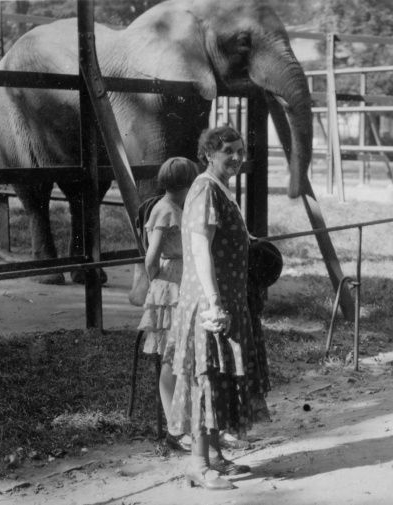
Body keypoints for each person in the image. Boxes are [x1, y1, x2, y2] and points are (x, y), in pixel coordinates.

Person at [167, 125, 270, 491]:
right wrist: (213, 303)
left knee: (221, 378)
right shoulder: (204, 188)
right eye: (229, 151)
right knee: (206, 379)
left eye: (241, 151)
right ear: (209, 154)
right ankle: (197, 464)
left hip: (228, 298)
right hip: (211, 302)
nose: (238, 158)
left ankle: (212, 457)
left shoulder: (219, 187)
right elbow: (199, 248)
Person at [136, 156, 198, 451]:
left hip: (183, 283)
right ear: (186, 183)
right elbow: (151, 259)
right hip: (170, 288)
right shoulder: (164, 210)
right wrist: (158, 283)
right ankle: (174, 429)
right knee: (170, 358)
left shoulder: (178, 207)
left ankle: (184, 423)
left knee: (182, 355)